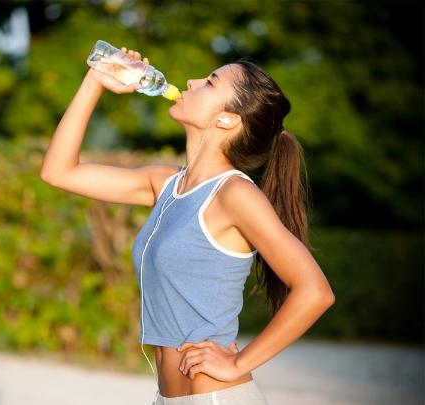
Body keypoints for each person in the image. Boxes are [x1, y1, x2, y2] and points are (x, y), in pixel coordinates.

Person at [40, 47, 336, 405]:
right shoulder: (165, 184)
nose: (192, 82)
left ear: (227, 120)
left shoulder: (235, 193)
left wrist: (239, 362)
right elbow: (58, 172)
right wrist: (95, 82)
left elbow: (315, 291)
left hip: (214, 397)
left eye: (210, 83)